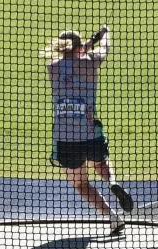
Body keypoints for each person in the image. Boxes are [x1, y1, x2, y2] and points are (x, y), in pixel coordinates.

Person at [41, 25, 134, 236]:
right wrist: (105, 35)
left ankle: (113, 219)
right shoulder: (91, 63)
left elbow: (75, 57)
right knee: (100, 162)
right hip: (90, 131)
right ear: (79, 46)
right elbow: (104, 49)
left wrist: (86, 44)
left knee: (81, 184)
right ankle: (113, 182)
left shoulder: (52, 68)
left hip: (65, 139)